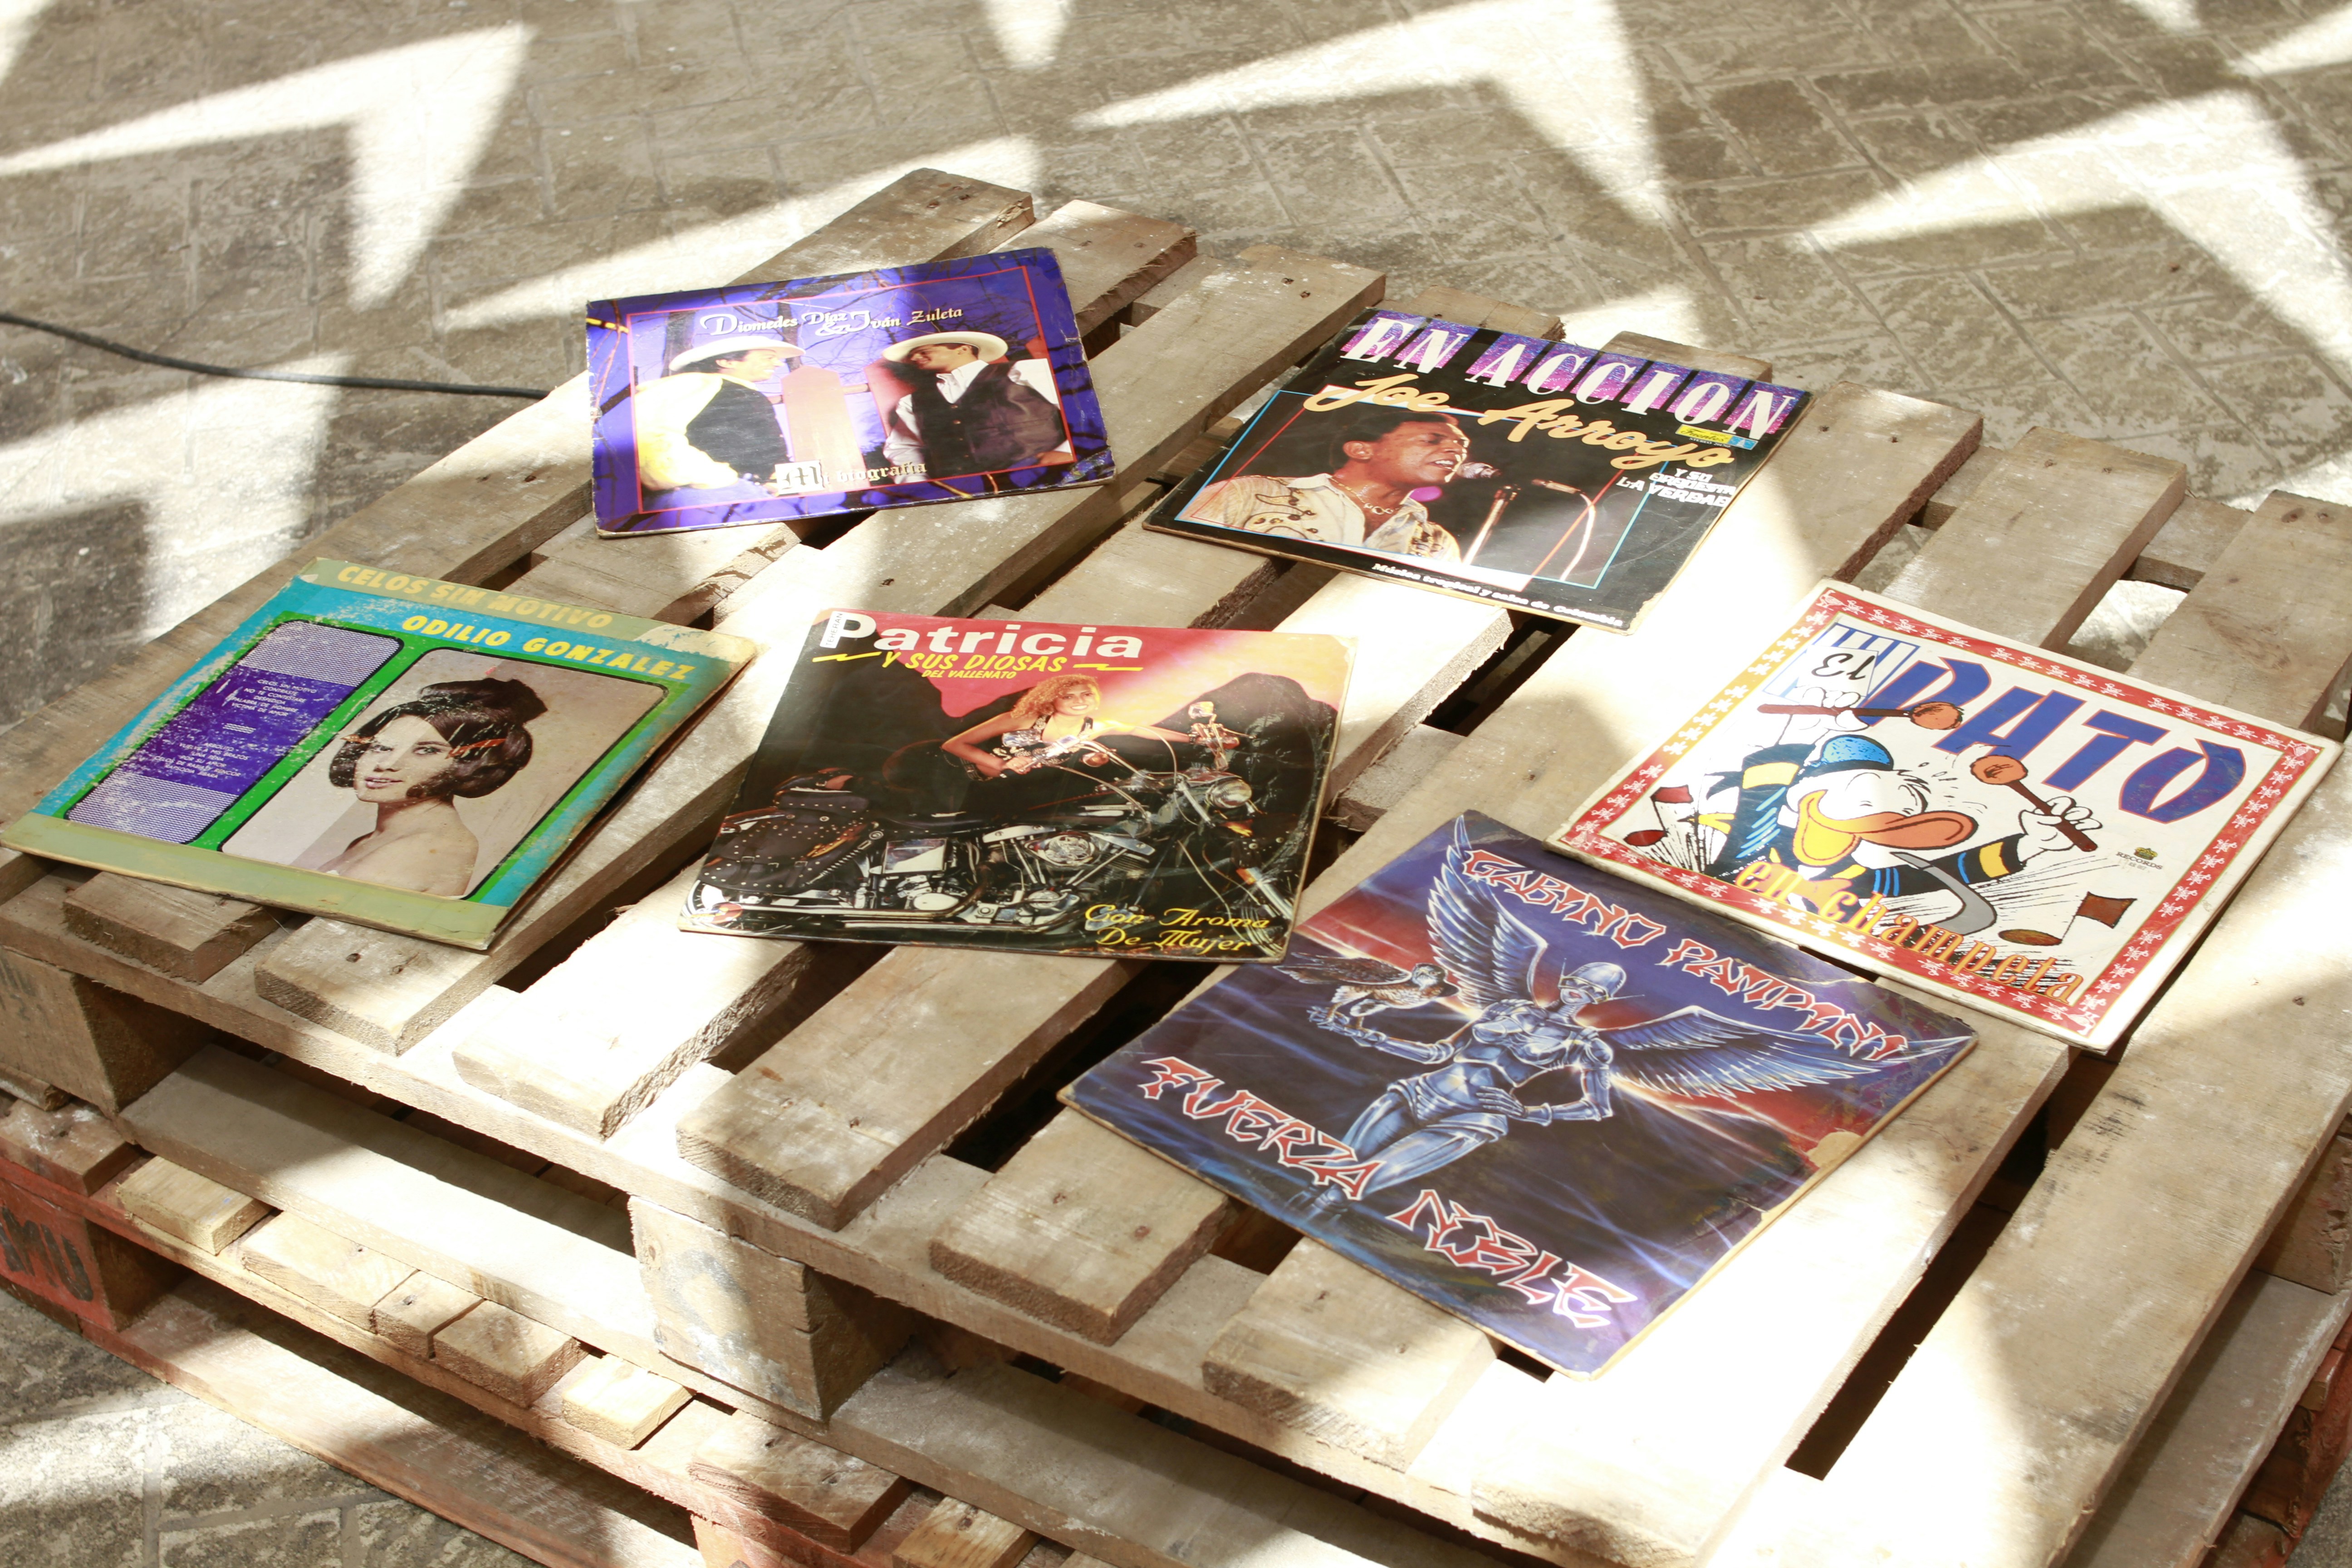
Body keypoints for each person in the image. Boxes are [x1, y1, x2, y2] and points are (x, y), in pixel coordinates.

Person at [312, 678, 544, 895]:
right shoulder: (374, 839)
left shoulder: (420, 848)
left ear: (469, 763)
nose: (386, 764)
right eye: (382, 747)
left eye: (427, 750)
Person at [1177, 407, 1472, 561]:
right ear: (1361, 450)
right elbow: (1173, 552)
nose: (1456, 451)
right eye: (1433, 440)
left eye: (1462, 445)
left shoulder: (1437, 541)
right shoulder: (1250, 492)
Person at [886, 674, 1191, 816]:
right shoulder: (1022, 718)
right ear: (1051, 700)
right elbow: (955, 744)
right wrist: (1002, 764)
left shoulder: (1096, 727)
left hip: (1025, 787)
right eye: (1068, 696)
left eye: (1086, 695)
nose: (1079, 702)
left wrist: (1193, 739)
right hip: (964, 778)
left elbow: (1141, 730)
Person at [631, 332, 803, 507]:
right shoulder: (694, 383)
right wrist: (716, 480)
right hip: (714, 494)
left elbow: (767, 452)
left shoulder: (743, 393)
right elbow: (646, 432)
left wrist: (787, 488)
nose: (778, 363)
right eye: (768, 358)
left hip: (758, 494)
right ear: (727, 362)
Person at [878, 331, 1071, 485]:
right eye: (912, 355)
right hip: (966, 490)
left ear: (963, 348)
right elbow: (903, 448)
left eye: (923, 350)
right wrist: (916, 483)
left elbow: (1079, 404)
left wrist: (1067, 451)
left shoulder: (1023, 370)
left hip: (1045, 475)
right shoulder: (912, 402)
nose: (915, 357)